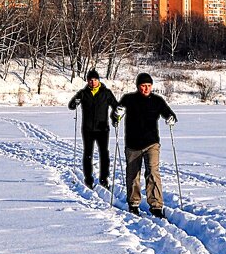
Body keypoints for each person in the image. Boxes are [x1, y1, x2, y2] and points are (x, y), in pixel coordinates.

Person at [114, 72, 177, 217]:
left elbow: (169, 113)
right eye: (143, 86)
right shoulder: (128, 99)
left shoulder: (157, 100)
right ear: (138, 86)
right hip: (133, 144)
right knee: (133, 175)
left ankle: (156, 205)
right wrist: (117, 114)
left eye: (148, 85)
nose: (146, 88)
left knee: (153, 173)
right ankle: (133, 203)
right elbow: (115, 118)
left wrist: (171, 118)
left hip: (151, 143)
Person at [68, 69, 120, 189]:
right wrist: (75, 102)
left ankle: (104, 179)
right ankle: (88, 179)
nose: (93, 82)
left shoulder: (106, 93)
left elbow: (116, 106)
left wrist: (115, 117)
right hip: (88, 129)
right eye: (90, 80)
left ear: (98, 81)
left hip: (102, 129)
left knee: (104, 154)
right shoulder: (83, 93)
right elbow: (71, 106)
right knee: (88, 154)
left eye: (95, 80)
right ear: (87, 81)